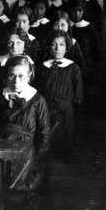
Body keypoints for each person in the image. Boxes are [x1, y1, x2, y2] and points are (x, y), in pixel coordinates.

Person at [0, 55, 50, 190]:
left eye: (21, 76)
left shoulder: (37, 100)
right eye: (12, 75)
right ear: (7, 76)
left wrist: (35, 166)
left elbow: (44, 137)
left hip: (26, 159)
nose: (16, 81)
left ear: (29, 76)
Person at [36, 30, 83, 158]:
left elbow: (78, 93)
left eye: (61, 44)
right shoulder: (43, 67)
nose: (57, 48)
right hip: (47, 107)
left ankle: (65, 154)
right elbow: (38, 89)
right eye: (54, 44)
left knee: (65, 134)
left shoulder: (73, 68)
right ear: (49, 47)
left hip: (65, 109)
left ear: (66, 47)